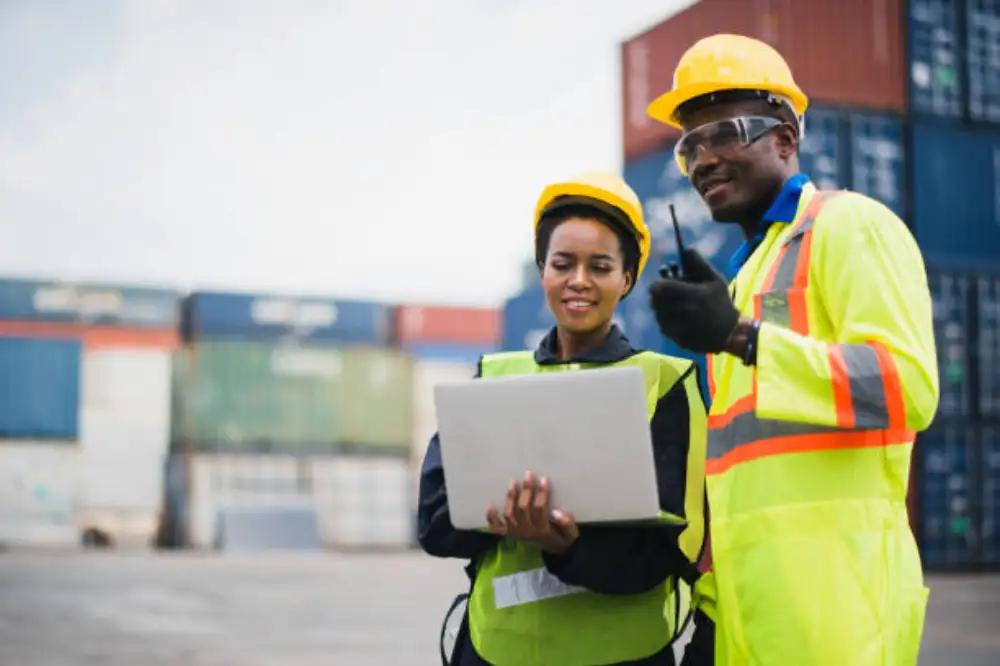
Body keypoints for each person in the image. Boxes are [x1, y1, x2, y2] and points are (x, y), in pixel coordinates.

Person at [644, 33, 941, 666]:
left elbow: (908, 386)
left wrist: (740, 339)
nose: (702, 160)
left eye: (723, 133)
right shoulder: (743, 278)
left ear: (785, 138)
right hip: (745, 617)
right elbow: (741, 470)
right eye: (689, 146)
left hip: (836, 619)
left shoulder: (849, 225)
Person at [417, 172, 709, 666]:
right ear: (542, 272)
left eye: (600, 266)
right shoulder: (494, 377)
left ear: (627, 279)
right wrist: (506, 521)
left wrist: (567, 546)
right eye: (562, 263)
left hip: (623, 655)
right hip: (497, 652)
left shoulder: (666, 383)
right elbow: (435, 524)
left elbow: (674, 549)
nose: (579, 280)